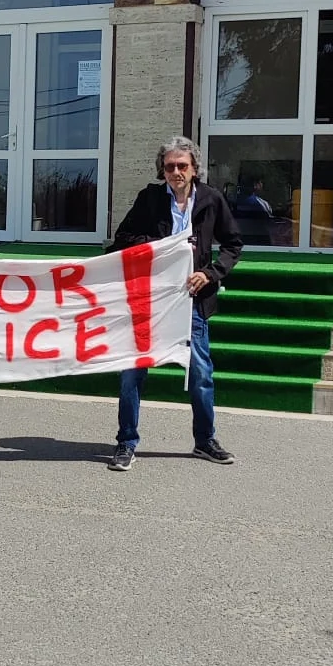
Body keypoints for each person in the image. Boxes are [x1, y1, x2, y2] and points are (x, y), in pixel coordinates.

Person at [106, 135, 242, 472]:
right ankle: (126, 443)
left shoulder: (211, 200)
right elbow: (123, 239)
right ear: (162, 170)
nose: (176, 171)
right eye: (169, 166)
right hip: (151, 300)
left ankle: (205, 441)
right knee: (132, 373)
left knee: (201, 373)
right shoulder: (149, 198)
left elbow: (233, 244)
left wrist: (210, 273)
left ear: (195, 169)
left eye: (182, 165)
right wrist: (163, 248)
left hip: (193, 302)